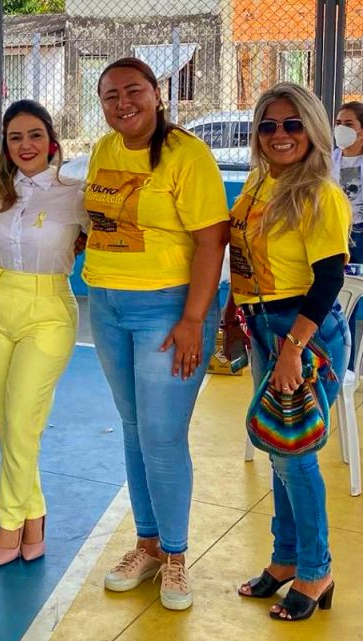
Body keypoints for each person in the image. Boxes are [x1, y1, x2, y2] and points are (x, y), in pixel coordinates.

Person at [83, 57, 229, 610]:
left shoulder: (187, 155)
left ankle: (174, 556)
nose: (123, 103)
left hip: (167, 310)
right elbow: (102, 217)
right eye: (110, 95)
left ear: (157, 94)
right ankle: (144, 545)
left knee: (162, 437)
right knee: (132, 427)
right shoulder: (102, 149)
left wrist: (194, 319)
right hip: (106, 303)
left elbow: (212, 241)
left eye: (133, 91)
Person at [227, 83, 350, 622]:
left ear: (313, 130)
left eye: (292, 124)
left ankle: (316, 568)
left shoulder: (318, 193)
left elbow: (328, 278)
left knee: (296, 458)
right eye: (269, 125)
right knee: (280, 452)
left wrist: (293, 348)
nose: (280, 135)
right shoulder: (259, 183)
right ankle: (284, 559)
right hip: (263, 327)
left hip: (303, 333)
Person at [0, 100, 88, 565]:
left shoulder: (74, 191)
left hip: (49, 309)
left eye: (34, 135)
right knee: (10, 427)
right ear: (5, 143)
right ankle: (35, 514)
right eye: (15, 136)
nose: (25, 145)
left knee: (22, 421)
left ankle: (9, 525)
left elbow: (104, 237)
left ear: (51, 141)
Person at [331, 101, 363, 368]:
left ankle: (351, 367)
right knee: (339, 297)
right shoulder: (330, 160)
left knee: (355, 294)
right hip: (338, 234)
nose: (341, 129)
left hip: (361, 234)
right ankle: (340, 365)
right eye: (338, 123)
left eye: (348, 124)